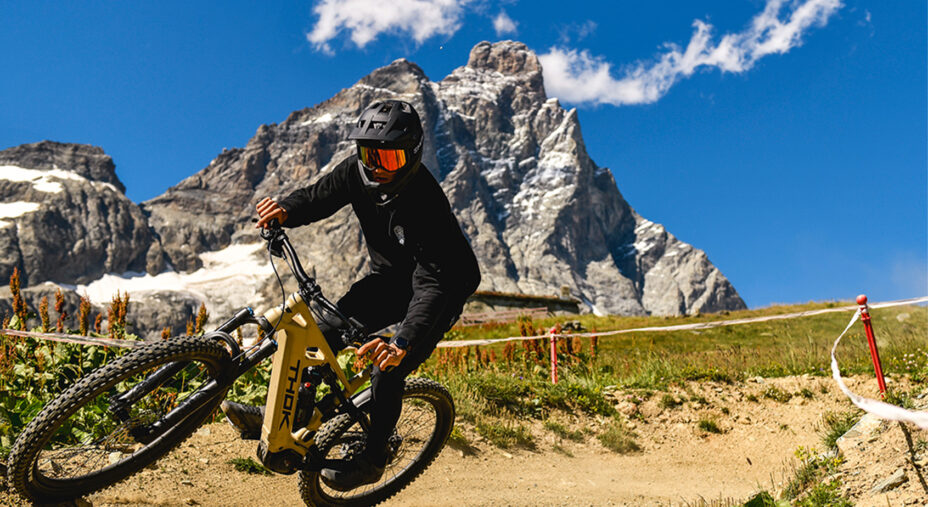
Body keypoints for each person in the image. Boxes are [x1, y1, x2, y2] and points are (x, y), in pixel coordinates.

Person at [220, 99, 481, 490]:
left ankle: (374, 457)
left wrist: (402, 343)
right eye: (368, 153)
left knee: (387, 367)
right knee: (319, 333)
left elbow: (432, 286)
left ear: (411, 156)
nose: (375, 165)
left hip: (442, 286)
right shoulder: (357, 172)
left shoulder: (426, 203)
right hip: (390, 279)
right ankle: (286, 417)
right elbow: (317, 197)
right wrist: (285, 211)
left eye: (388, 158)